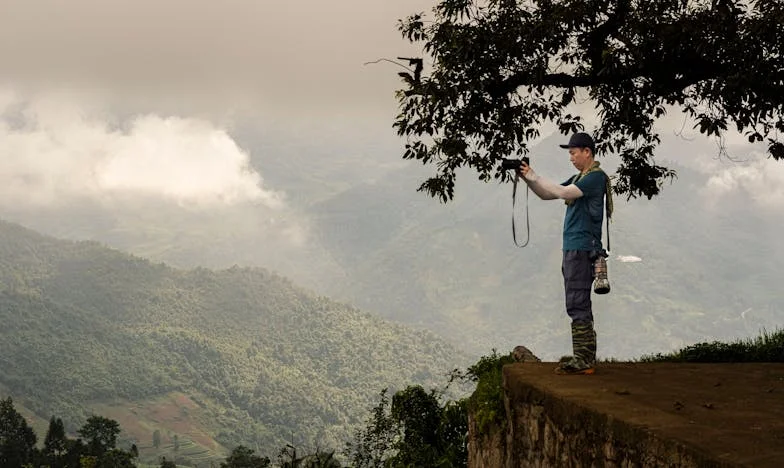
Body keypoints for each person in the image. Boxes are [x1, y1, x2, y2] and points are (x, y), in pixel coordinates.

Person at [518, 132, 612, 375]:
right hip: (573, 246)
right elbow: (547, 193)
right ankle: (584, 357)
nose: (570, 157)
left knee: (577, 300)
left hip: (582, 248)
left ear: (587, 152)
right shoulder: (580, 177)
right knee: (576, 300)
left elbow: (563, 193)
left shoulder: (594, 178)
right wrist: (528, 178)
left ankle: (584, 360)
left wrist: (533, 175)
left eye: (573, 152)